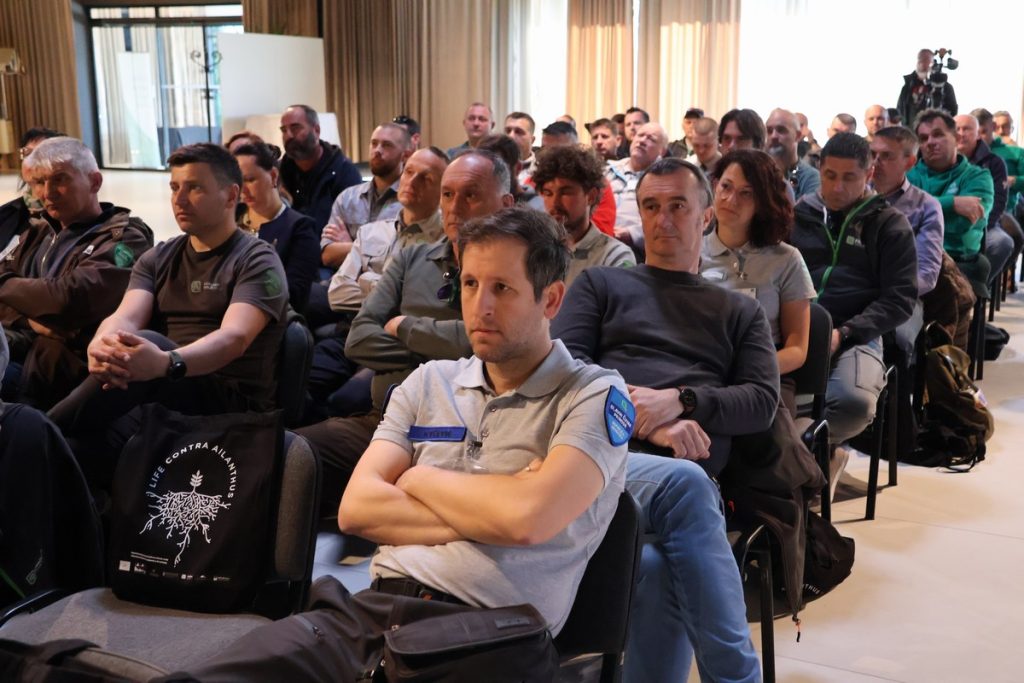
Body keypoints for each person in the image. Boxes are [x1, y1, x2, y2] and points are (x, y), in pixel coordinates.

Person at [154, 206, 627, 683]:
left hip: (490, 635)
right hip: (370, 614)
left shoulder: (593, 394)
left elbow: (527, 520)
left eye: (502, 288)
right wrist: (497, 508)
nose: (479, 306)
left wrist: (416, 478)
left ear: (551, 300)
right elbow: (357, 510)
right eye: (469, 284)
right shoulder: (429, 381)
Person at [553, 156, 771, 682]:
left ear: (706, 217)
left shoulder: (739, 310)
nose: (662, 219)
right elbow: (564, 375)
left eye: (678, 206)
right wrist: (646, 421)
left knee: (657, 565)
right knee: (685, 489)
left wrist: (683, 401)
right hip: (598, 461)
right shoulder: (601, 285)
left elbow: (761, 401)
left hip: (682, 484)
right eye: (651, 206)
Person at [49, 144, 288, 484]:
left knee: (147, 343)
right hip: (160, 391)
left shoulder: (257, 259)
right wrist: (101, 344)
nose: (179, 199)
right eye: (175, 187)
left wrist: (167, 362)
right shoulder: (158, 257)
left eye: (195, 187)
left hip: (229, 402)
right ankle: (35, 444)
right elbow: (125, 316)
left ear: (231, 195)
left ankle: (30, 431)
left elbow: (234, 338)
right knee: (68, 452)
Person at [296, 149, 513, 512]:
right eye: (447, 194)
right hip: (385, 422)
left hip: (470, 431)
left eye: (471, 195)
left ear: (505, 204)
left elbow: (487, 345)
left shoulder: (518, 269)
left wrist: (406, 327)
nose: (454, 207)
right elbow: (359, 339)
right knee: (285, 453)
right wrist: (446, 348)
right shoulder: (412, 258)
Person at [790, 133, 917, 489]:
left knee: (854, 404)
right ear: (819, 169)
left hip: (856, 333)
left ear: (869, 173)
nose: (837, 187)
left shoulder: (890, 224)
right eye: (830, 175)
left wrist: (845, 333)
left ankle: (810, 450)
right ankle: (811, 456)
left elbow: (900, 299)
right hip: (794, 325)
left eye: (849, 177)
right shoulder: (798, 216)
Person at [0, 137, 153, 409]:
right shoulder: (36, 233)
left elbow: (68, 299)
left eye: (60, 179)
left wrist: (10, 290)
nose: (47, 192)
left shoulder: (124, 238)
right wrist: (31, 321)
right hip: (18, 355)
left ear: (95, 182)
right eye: (39, 182)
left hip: (64, 376)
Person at [306, 148, 449, 418]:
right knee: (303, 383)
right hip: (349, 330)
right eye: (409, 172)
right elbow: (337, 294)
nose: (412, 181)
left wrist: (367, 281)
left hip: (393, 341)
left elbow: (423, 305)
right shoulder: (372, 232)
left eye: (426, 178)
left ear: (443, 190)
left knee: (347, 400)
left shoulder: (445, 241)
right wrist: (392, 294)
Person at [701, 149, 814, 398]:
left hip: (766, 375)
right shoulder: (691, 253)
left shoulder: (787, 259)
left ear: (762, 201)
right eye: (726, 187)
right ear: (715, 186)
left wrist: (746, 372)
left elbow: (797, 349)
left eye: (746, 193)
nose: (731, 200)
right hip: (702, 371)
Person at [908, 109, 994, 287]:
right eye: (923, 138)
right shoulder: (908, 176)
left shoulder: (978, 176)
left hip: (959, 261)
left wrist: (921, 214)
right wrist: (952, 203)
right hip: (913, 257)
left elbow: (963, 223)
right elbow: (901, 216)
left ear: (956, 138)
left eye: (938, 134)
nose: (930, 142)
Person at [233, 141, 319, 313]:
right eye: (237, 181)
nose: (243, 190)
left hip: (272, 316)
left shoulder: (300, 228)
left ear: (273, 176)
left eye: (250, 180)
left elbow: (295, 295)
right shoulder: (230, 217)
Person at [532, 144, 635, 284]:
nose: (555, 203)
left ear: (591, 196)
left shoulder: (614, 256)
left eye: (565, 192)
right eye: (548, 193)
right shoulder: (533, 250)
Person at [320, 123, 410, 269]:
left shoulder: (410, 201)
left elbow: (401, 257)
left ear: (404, 155)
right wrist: (375, 250)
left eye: (387, 145)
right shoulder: (347, 198)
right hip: (344, 281)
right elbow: (328, 256)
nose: (377, 150)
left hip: (387, 282)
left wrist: (353, 245)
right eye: (374, 143)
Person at [278, 104, 362, 230]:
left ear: (316, 130)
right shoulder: (279, 173)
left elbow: (353, 226)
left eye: (295, 128)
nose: (288, 135)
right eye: (284, 130)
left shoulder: (344, 172)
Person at [955, 114, 1011, 282]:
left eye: (966, 129)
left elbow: (999, 201)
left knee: (1002, 243)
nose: (961, 133)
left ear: (978, 134)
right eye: (957, 129)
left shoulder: (994, 162)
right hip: (948, 221)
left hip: (985, 223)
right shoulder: (942, 158)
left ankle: (976, 286)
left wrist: (979, 226)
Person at [605, 122, 668, 253]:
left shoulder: (664, 180)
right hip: (598, 238)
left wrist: (632, 234)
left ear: (662, 151)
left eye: (651, 139)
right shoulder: (608, 170)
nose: (642, 141)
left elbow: (665, 220)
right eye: (640, 135)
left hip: (635, 248)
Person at [766, 108, 821, 200]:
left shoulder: (811, 178)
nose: (773, 136)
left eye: (781, 130)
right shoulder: (756, 173)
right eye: (769, 131)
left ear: (797, 136)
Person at [898, 49, 957, 126]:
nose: (922, 62)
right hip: (909, 130)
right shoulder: (908, 86)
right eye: (920, 59)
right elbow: (900, 109)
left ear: (933, 62)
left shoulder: (945, 87)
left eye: (926, 59)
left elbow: (952, 112)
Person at [503, 111, 537, 184]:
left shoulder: (541, 170)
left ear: (532, 140)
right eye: (508, 131)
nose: (511, 136)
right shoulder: (492, 167)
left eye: (518, 132)